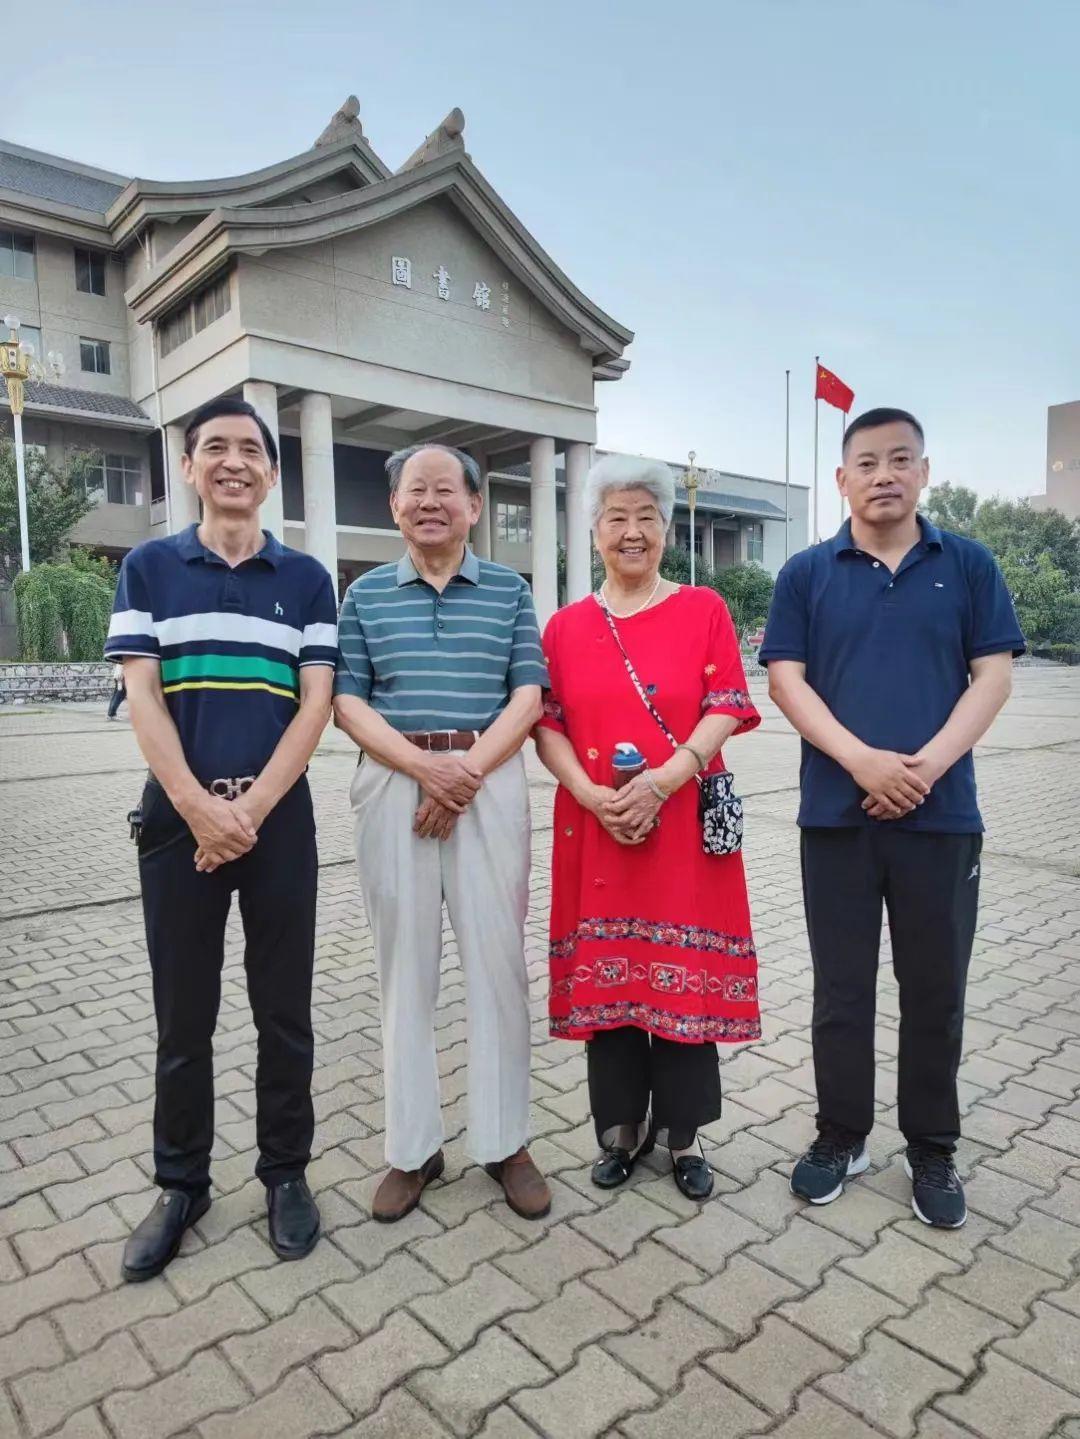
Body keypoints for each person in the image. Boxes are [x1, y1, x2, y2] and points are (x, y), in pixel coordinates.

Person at [761, 407, 1023, 1229]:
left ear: (924, 471)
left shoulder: (968, 564)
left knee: (935, 989)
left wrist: (925, 768)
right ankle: (841, 1134)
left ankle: (931, 1145)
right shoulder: (807, 572)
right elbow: (786, 682)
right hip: (836, 817)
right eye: (867, 462)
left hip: (942, 819)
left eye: (900, 459)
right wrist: (862, 762)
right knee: (842, 988)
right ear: (842, 479)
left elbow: (992, 677)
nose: (884, 475)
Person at [105, 397, 338, 1281]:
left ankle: (286, 1173)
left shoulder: (307, 578)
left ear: (272, 474)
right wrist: (198, 808)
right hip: (179, 824)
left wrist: (248, 811)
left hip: (279, 822)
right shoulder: (149, 568)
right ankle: (181, 1184)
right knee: (183, 1017)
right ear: (189, 467)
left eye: (250, 450)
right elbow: (143, 694)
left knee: (284, 1011)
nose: (233, 461)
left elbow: (315, 703)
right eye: (215, 448)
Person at [333, 443, 551, 1223]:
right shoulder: (363, 596)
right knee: (405, 968)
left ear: (474, 506)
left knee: (499, 963)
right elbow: (347, 703)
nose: (430, 502)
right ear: (394, 506)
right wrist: (426, 770)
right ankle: (412, 1147)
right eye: (414, 491)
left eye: (445, 490)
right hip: (395, 781)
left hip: (487, 781)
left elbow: (527, 696)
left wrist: (463, 774)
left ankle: (504, 1141)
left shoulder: (510, 591)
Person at [534, 455, 761, 1201]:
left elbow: (727, 704)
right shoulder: (566, 627)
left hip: (682, 824)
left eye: (646, 518)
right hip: (597, 825)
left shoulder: (703, 610)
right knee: (614, 975)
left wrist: (665, 781)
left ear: (666, 529)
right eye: (616, 518)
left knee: (683, 978)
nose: (631, 532)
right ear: (593, 531)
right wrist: (591, 795)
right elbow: (548, 724)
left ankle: (684, 1136)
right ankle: (621, 1131)